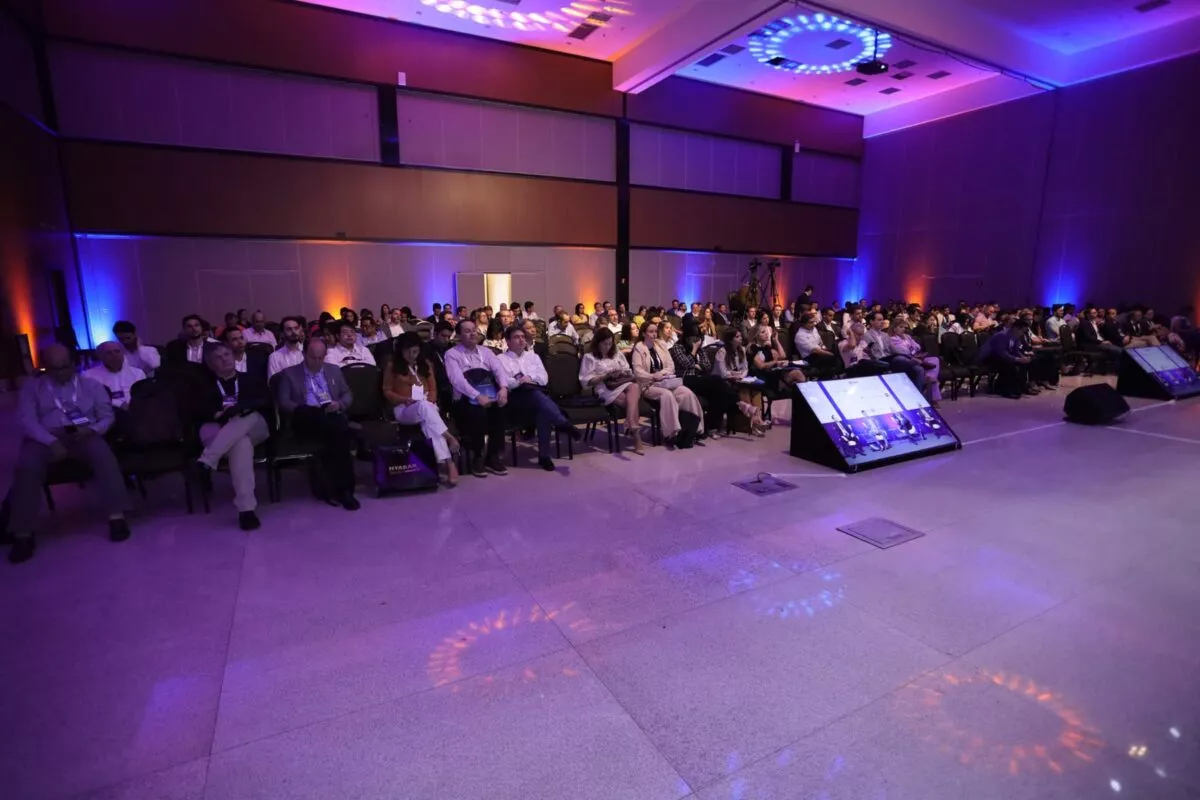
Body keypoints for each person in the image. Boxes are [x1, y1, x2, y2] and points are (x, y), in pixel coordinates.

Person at [7, 345, 130, 563]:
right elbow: (27, 421)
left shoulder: (90, 385)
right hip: (45, 435)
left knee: (104, 456)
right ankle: (23, 533)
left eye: (65, 367)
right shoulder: (32, 388)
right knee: (27, 466)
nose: (61, 373)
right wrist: (50, 441)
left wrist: (92, 430)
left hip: (84, 433)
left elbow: (106, 416)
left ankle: (117, 516)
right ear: (45, 368)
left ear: (73, 365)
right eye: (55, 368)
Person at [275, 338, 360, 509]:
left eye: (321, 357)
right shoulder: (289, 374)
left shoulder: (334, 370)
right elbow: (283, 401)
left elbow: (347, 393)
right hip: (305, 417)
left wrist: (339, 404)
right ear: (304, 354)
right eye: (313, 357)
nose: (317, 361)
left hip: (330, 413)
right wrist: (303, 409)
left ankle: (340, 489)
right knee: (339, 429)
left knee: (336, 433)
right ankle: (345, 491)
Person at [194, 344, 271, 530]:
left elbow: (265, 401)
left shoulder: (250, 378)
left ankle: (208, 459)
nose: (225, 359)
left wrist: (238, 409)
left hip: (253, 425)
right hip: (218, 428)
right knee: (241, 443)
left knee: (247, 415)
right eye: (218, 357)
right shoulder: (204, 386)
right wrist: (217, 414)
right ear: (211, 364)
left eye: (227, 354)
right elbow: (195, 411)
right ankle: (246, 510)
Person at [497, 325, 581, 471]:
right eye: (516, 337)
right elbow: (503, 381)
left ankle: (544, 456)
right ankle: (562, 423)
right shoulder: (500, 359)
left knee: (542, 409)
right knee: (537, 397)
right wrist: (519, 382)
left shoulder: (533, 357)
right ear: (508, 341)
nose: (521, 340)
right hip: (514, 399)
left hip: (535, 394)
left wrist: (530, 378)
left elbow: (544, 378)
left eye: (523, 337)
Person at [384, 332, 459, 487]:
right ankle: (449, 441)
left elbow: (433, 389)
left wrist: (430, 399)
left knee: (428, 418)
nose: (413, 355)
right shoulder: (392, 366)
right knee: (426, 410)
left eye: (416, 352)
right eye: (409, 352)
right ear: (401, 350)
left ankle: (447, 463)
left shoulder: (425, 364)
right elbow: (387, 391)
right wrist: (403, 399)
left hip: (426, 406)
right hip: (404, 408)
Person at [444, 320, 510, 477]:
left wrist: (503, 388)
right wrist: (476, 396)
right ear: (458, 335)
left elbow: (499, 369)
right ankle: (478, 456)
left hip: (489, 393)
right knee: (478, 413)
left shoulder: (486, 352)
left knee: (500, 409)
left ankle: (492, 456)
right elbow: (457, 380)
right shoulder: (452, 354)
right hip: (465, 398)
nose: (472, 333)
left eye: (474, 330)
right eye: (467, 331)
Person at [631, 322, 705, 447]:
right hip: (648, 384)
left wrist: (661, 373)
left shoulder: (661, 345)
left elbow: (671, 366)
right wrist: (653, 376)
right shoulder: (639, 348)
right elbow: (637, 372)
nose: (654, 334)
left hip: (665, 381)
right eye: (651, 332)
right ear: (644, 334)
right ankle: (672, 433)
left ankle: (696, 429)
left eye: (655, 331)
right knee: (667, 395)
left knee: (686, 393)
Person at [580, 327, 643, 455]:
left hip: (621, 382)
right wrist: (605, 376)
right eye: (605, 344)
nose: (608, 347)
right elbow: (586, 382)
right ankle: (636, 435)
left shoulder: (616, 354)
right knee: (631, 402)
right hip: (604, 388)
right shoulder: (589, 357)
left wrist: (620, 372)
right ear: (597, 343)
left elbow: (628, 371)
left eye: (610, 343)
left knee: (635, 386)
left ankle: (631, 424)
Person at [713, 328, 767, 436]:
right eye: (737, 337)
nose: (741, 338)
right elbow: (723, 373)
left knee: (756, 390)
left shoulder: (742, 350)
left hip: (738, 380)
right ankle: (750, 424)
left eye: (740, 336)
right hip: (722, 382)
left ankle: (757, 419)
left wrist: (741, 375)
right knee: (744, 390)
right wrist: (736, 375)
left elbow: (745, 368)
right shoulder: (722, 352)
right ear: (730, 340)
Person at [863, 312, 926, 388]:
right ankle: (919, 362)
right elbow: (868, 353)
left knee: (919, 369)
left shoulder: (885, 335)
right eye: (879, 320)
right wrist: (910, 358)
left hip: (889, 358)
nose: (882, 322)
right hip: (878, 360)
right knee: (899, 358)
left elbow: (894, 350)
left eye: (882, 320)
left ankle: (918, 394)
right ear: (871, 321)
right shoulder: (867, 335)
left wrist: (908, 356)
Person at [977, 319, 1034, 399]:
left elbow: (1015, 351)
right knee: (1009, 365)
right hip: (989, 357)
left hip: (1000, 356)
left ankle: (1021, 387)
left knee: (1023, 364)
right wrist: (1017, 359)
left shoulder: (1016, 337)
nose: (1023, 333)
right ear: (1016, 328)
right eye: (1022, 331)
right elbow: (1002, 353)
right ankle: (1007, 391)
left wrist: (1022, 357)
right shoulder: (1002, 335)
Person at [889, 319, 941, 405]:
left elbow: (918, 346)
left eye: (904, 327)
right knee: (926, 372)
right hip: (907, 360)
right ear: (894, 329)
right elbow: (904, 351)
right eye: (901, 327)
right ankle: (933, 399)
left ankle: (929, 376)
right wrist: (912, 348)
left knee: (935, 359)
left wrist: (912, 348)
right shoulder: (893, 339)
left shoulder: (907, 337)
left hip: (916, 356)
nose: (903, 329)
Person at [83, 341, 146, 410]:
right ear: (100, 357)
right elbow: (90, 399)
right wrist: (119, 404)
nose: (114, 355)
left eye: (117, 351)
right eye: (109, 353)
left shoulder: (138, 373)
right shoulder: (89, 376)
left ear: (123, 354)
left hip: (135, 411)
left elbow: (144, 396)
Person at [748, 324, 805, 390]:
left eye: (766, 331)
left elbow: (782, 356)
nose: (766, 333)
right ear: (756, 336)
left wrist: (776, 340)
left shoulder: (766, 346)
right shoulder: (753, 348)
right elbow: (761, 366)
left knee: (798, 373)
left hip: (776, 373)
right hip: (766, 377)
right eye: (763, 332)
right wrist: (776, 362)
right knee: (794, 383)